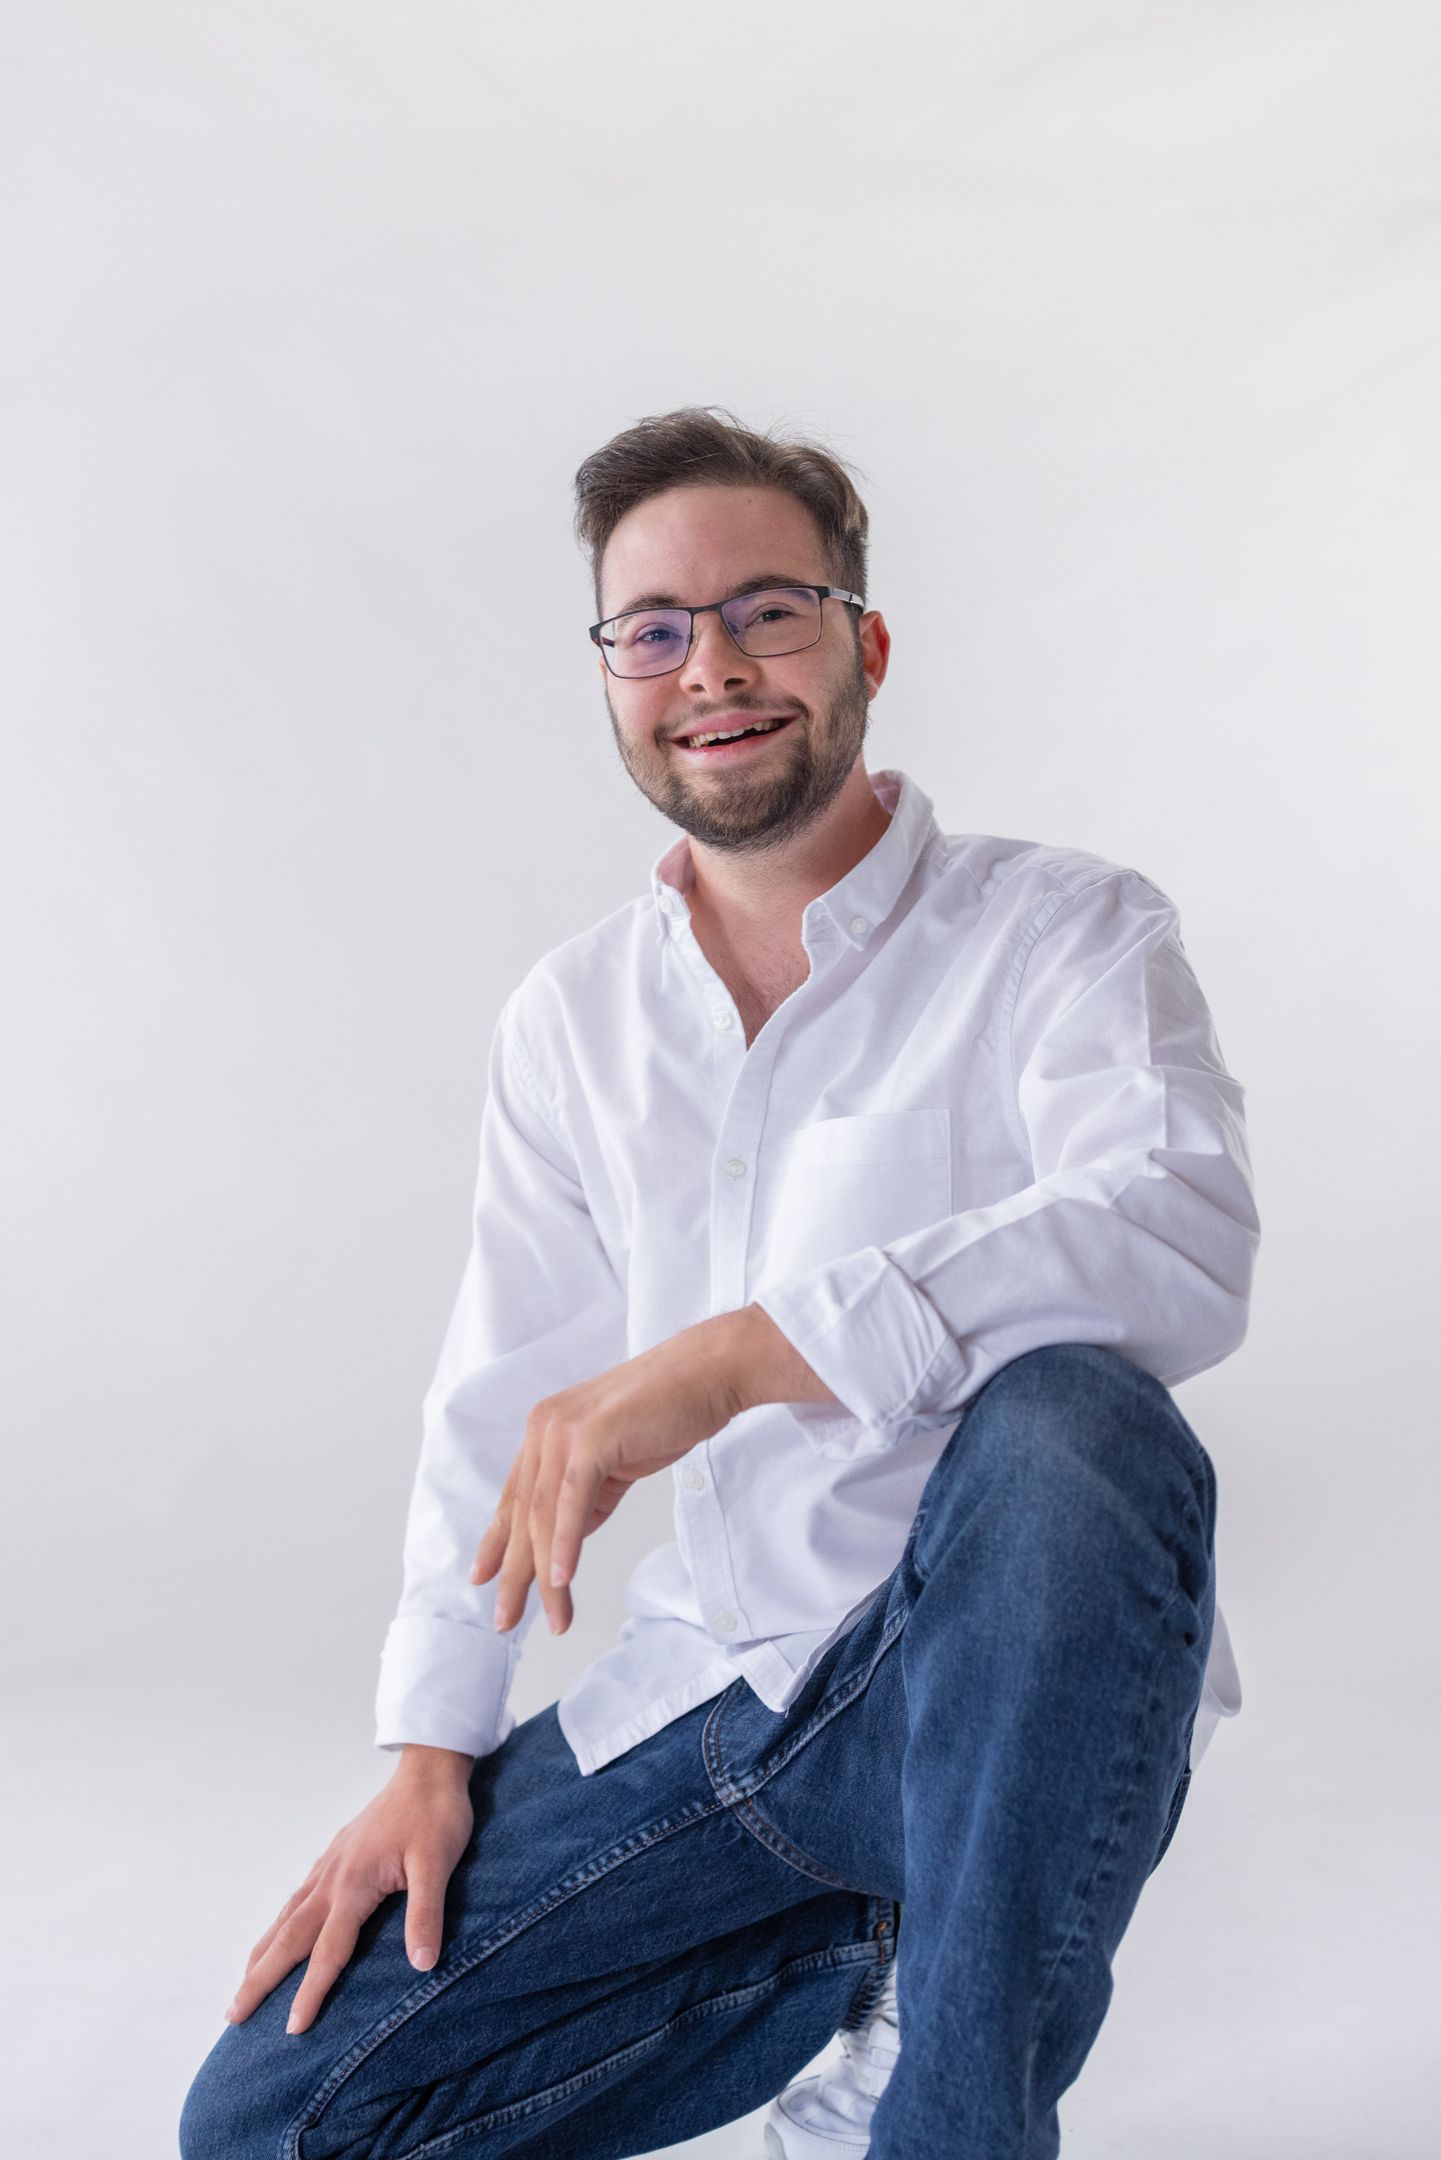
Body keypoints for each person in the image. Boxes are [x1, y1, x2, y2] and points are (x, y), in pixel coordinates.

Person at [180, 405, 1258, 2159]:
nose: (713, 669)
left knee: (1078, 1417)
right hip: (738, 1700)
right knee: (272, 2121)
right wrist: (428, 1750)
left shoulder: (1063, 931)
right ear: (611, 676)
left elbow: (1177, 1233)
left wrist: (746, 1354)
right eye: (655, 630)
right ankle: (871, 1969)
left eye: (768, 610)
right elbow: (501, 1392)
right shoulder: (573, 1018)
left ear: (865, 647)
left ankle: (944, 2111)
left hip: (1015, 1698)